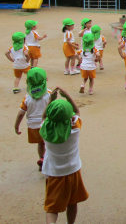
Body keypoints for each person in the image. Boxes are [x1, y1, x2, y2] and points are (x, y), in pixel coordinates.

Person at [40, 87, 89, 224]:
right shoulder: (75, 129)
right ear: (70, 116)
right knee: (72, 203)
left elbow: (43, 117)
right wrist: (67, 95)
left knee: (52, 208)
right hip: (73, 172)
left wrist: (50, 100)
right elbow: (78, 111)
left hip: (54, 174)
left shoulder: (45, 129)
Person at [14, 67, 50, 170]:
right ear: (46, 80)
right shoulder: (49, 94)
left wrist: (16, 126)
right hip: (47, 124)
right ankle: (48, 160)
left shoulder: (27, 97)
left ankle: (42, 158)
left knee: (40, 143)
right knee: (49, 142)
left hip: (33, 125)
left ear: (27, 82)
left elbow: (21, 113)